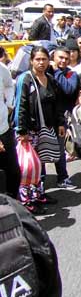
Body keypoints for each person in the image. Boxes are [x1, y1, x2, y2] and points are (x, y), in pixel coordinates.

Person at [15, 46, 65, 213]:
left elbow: (57, 103)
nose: (41, 62)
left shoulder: (50, 79)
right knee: (28, 166)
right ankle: (26, 200)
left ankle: (38, 195)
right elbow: (21, 105)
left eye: (44, 59)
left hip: (46, 128)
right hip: (29, 131)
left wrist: (60, 123)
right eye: (38, 59)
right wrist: (21, 131)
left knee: (39, 163)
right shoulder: (26, 79)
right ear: (31, 61)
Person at [45, 46, 79, 189]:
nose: (63, 61)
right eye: (60, 58)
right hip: (45, 117)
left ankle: (63, 177)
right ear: (53, 58)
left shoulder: (71, 74)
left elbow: (68, 89)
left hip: (61, 118)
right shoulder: (45, 73)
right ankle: (40, 182)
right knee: (42, 149)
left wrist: (58, 72)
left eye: (66, 58)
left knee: (59, 148)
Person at [0, 60, 20, 199]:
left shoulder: (2, 68)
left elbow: (9, 85)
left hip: (4, 129)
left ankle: (12, 207)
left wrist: (9, 105)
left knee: (13, 172)